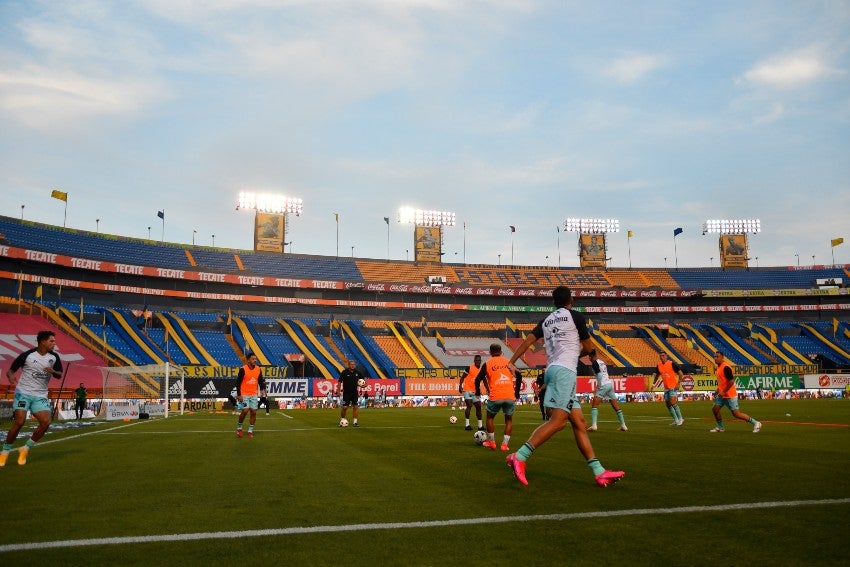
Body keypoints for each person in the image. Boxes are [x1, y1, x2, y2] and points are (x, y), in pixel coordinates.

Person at [505, 286, 625, 487]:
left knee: (579, 422)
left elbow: (527, 341)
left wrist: (512, 361)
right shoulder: (576, 317)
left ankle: (599, 472)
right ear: (571, 300)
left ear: (554, 302)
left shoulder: (546, 320)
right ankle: (520, 456)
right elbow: (588, 349)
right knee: (559, 421)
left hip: (552, 369)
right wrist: (578, 352)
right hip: (565, 372)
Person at [1, 331, 63, 466]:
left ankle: (26, 447)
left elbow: (59, 374)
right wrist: (11, 376)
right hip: (23, 392)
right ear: (42, 342)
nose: (54, 343)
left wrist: (53, 372)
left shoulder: (54, 357)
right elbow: (11, 370)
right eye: (51, 341)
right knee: (19, 422)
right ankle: (5, 451)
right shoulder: (27, 355)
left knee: (46, 422)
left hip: (40, 395)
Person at [475, 344, 522, 451]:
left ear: (490, 352)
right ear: (501, 352)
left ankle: (492, 442)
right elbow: (519, 376)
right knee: (508, 420)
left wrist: (478, 392)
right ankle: (504, 445)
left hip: (496, 395)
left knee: (490, 417)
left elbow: (478, 379)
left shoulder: (487, 363)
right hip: (510, 395)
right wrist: (517, 393)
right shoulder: (509, 362)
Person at [711, 351, 762, 433]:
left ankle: (756, 423)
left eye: (717, 357)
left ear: (722, 357)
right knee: (715, 409)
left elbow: (731, 381)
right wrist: (717, 391)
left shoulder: (726, 367)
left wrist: (723, 392)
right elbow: (722, 382)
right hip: (722, 395)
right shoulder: (718, 367)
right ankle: (720, 427)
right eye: (715, 356)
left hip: (729, 395)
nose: (715, 358)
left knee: (737, 414)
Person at [583, 350, 627, 432]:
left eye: (589, 356)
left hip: (603, 384)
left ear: (591, 356)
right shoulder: (601, 362)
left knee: (594, 404)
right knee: (615, 406)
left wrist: (598, 386)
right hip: (609, 384)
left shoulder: (594, 363)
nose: (589, 358)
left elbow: (599, 375)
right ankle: (623, 425)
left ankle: (594, 426)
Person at [651, 351, 685, 426]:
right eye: (660, 356)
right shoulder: (659, 365)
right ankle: (676, 420)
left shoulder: (672, 364)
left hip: (673, 386)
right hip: (666, 388)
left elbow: (681, 373)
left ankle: (681, 419)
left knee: (673, 402)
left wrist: (679, 383)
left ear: (666, 356)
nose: (661, 357)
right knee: (668, 404)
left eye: (663, 355)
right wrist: (653, 384)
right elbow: (657, 375)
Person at [235, 353, 264, 438]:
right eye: (253, 359)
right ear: (248, 360)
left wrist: (262, 389)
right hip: (244, 395)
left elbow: (260, 380)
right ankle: (239, 428)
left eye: (255, 359)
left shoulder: (258, 369)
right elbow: (238, 383)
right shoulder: (243, 369)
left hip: (254, 395)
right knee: (244, 411)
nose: (255, 360)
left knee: (254, 412)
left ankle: (250, 431)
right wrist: (239, 395)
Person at [458, 355, 484, 431]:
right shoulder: (469, 368)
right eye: (476, 360)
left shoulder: (482, 370)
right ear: (474, 361)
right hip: (467, 390)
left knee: (478, 406)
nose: (477, 361)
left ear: (480, 361)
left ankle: (480, 426)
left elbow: (484, 380)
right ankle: (467, 425)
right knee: (469, 405)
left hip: (476, 391)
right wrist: (460, 386)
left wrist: (488, 389)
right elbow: (462, 377)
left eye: (479, 360)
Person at [338, 359, 364, 427]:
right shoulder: (344, 372)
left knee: (355, 407)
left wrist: (364, 385)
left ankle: (355, 422)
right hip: (346, 393)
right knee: (345, 407)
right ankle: (342, 419)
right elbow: (339, 381)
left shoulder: (358, 372)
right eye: (351, 364)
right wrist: (338, 391)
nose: (353, 366)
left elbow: (364, 381)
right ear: (348, 365)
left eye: (353, 364)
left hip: (354, 392)